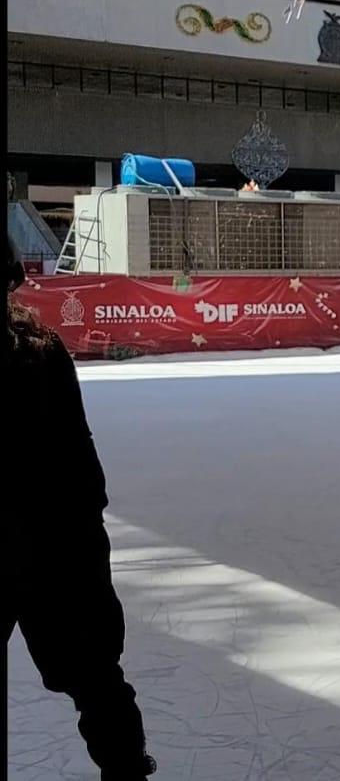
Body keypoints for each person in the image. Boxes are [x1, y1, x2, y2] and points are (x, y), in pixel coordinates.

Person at [5, 232, 156, 779]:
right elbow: (84, 470)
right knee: (97, 682)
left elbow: (82, 471)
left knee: (96, 681)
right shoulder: (42, 351)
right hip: (60, 546)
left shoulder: (40, 353)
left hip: (55, 545)